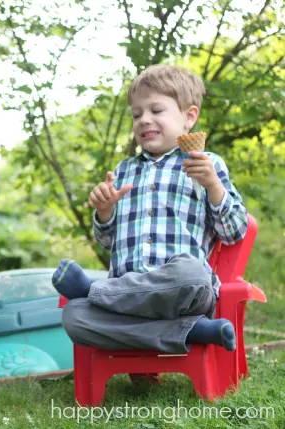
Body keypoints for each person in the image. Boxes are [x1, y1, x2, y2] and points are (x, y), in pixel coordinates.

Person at [53, 65, 248, 355]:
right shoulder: (123, 171)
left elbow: (234, 232)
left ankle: (93, 291)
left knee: (193, 274)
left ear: (189, 117)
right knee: (74, 318)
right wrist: (105, 212)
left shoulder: (206, 164)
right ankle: (194, 331)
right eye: (136, 114)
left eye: (156, 110)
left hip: (181, 293)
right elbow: (107, 241)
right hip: (126, 303)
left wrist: (213, 186)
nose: (144, 120)